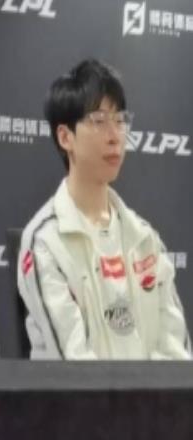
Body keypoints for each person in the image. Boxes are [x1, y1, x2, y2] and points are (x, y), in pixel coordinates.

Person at [17, 59, 191, 360]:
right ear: (65, 137)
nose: (115, 136)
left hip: (157, 394)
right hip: (79, 393)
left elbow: (177, 354)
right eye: (99, 121)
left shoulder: (144, 238)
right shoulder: (45, 241)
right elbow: (74, 367)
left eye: (120, 120)